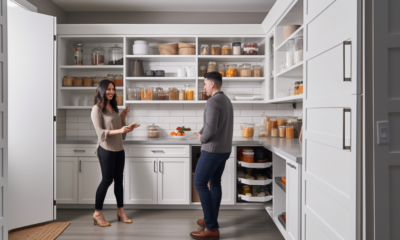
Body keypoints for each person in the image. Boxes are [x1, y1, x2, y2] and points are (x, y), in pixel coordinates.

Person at [191, 72, 234, 239]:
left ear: (212, 84)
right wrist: (201, 132)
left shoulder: (212, 101)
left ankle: (211, 228)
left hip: (212, 151)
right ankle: (211, 220)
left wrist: (202, 137)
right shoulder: (226, 101)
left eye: (204, 84)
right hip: (224, 150)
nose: (203, 87)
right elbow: (213, 124)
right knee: (215, 184)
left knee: (199, 182)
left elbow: (210, 130)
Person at [91, 80, 135, 227]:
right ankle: (97, 213)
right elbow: (100, 133)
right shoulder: (96, 109)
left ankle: (121, 211)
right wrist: (121, 130)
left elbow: (121, 135)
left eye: (113, 89)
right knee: (106, 180)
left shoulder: (114, 107)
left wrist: (123, 118)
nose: (111, 92)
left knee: (118, 181)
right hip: (106, 150)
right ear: (102, 90)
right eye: (108, 89)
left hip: (119, 149)